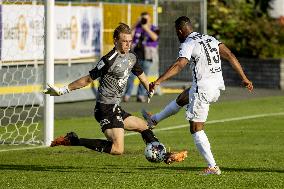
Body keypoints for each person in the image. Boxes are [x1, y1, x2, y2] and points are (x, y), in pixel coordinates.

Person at [43, 23, 187, 164]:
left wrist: (149, 86)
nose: (127, 44)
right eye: (124, 41)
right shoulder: (108, 60)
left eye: (129, 41)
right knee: (118, 149)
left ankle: (165, 155)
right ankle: (74, 140)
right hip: (105, 109)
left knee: (144, 126)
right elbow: (87, 79)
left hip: (115, 107)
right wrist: (63, 90)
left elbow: (140, 73)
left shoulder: (131, 56)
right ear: (115, 40)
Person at [143, 16, 253, 175]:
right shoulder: (210, 39)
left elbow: (180, 64)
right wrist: (244, 78)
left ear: (180, 31)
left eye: (177, 32)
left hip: (203, 88)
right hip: (216, 87)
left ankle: (212, 166)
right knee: (184, 97)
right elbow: (230, 55)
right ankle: (154, 119)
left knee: (196, 129)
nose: (177, 36)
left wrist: (158, 81)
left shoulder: (189, 42)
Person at [123, 12, 159, 102]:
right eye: (143, 18)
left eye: (146, 18)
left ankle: (141, 95)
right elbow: (129, 34)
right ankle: (127, 95)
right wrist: (136, 23)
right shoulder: (138, 27)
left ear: (150, 19)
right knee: (131, 76)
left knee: (144, 77)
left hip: (147, 56)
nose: (144, 20)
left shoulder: (154, 28)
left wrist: (146, 28)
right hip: (135, 55)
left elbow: (155, 37)